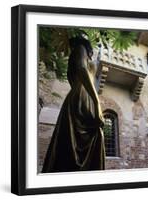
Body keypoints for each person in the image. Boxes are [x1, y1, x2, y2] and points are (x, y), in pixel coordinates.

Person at [42, 37, 105, 173]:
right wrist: (96, 102)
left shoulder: (88, 59)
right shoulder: (79, 48)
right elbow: (82, 69)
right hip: (81, 99)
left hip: (85, 98)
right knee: (78, 140)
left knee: (96, 135)